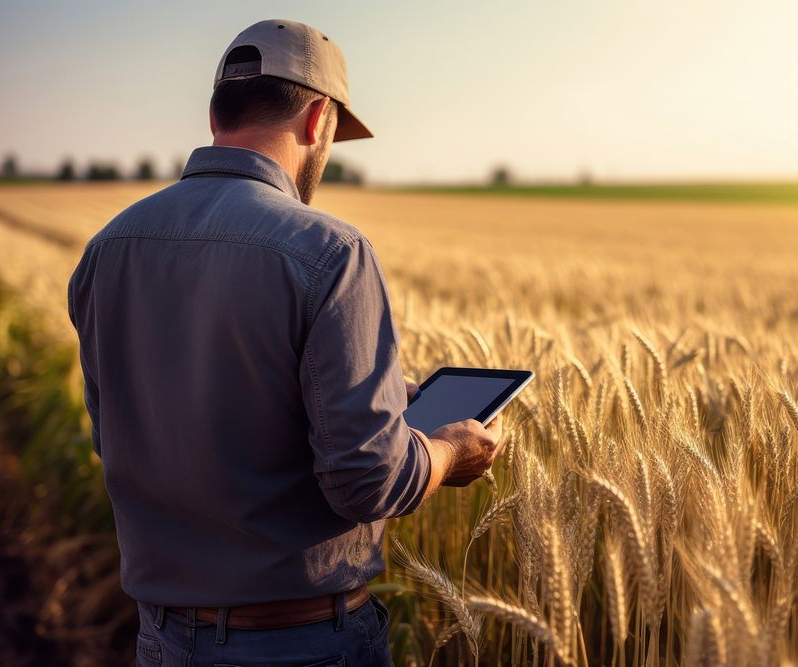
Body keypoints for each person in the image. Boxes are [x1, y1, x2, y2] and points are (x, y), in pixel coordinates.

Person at [66, 18, 504, 667]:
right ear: (318, 118)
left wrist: (368, 403)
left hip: (160, 639)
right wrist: (447, 450)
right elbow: (366, 480)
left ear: (217, 113)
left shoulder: (109, 248)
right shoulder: (331, 253)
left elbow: (122, 437)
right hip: (299, 644)